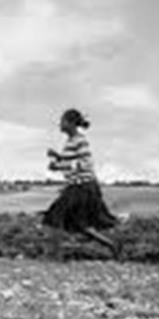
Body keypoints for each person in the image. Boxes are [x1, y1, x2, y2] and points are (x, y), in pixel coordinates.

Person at [43, 108, 121, 259]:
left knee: (54, 218)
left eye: (62, 121)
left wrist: (57, 166)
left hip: (82, 187)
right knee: (80, 225)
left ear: (71, 123)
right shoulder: (71, 141)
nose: (60, 124)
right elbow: (71, 160)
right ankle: (112, 245)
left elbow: (84, 164)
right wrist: (57, 156)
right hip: (78, 186)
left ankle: (53, 257)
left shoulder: (80, 140)